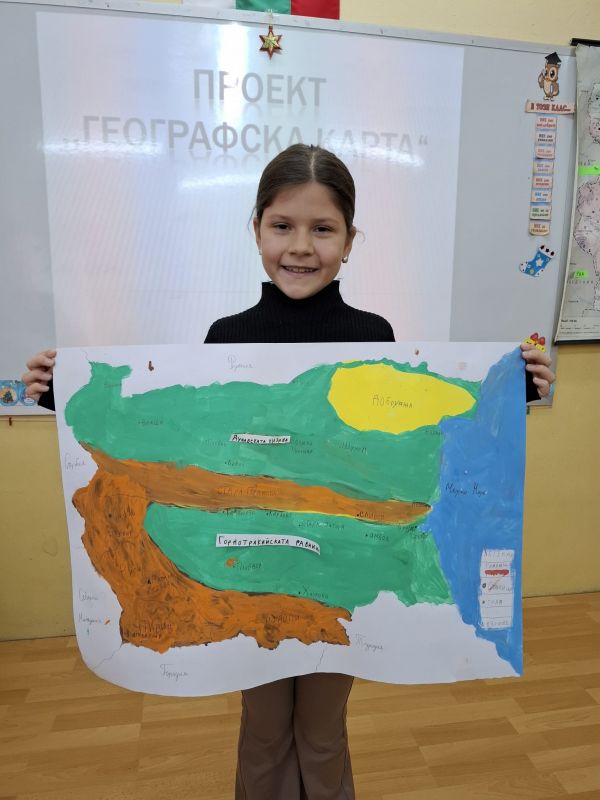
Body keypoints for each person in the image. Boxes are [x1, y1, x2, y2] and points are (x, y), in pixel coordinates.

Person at [22, 144, 555, 800]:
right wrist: (62, 393)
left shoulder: (374, 335)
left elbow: (413, 440)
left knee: (323, 733)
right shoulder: (224, 337)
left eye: (322, 229)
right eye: (282, 226)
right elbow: (190, 437)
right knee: (265, 730)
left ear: (350, 241)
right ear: (256, 230)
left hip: (339, 576)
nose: (300, 247)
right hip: (254, 574)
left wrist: (509, 395)